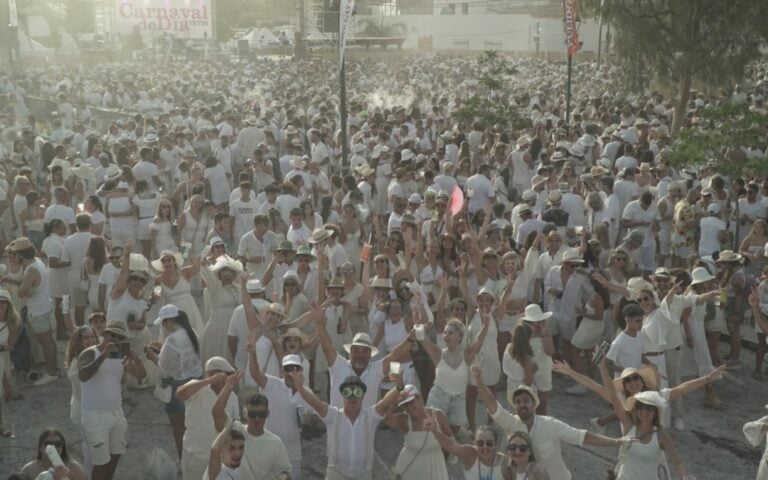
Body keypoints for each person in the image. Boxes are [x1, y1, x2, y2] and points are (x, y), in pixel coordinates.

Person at [472, 365, 625, 480]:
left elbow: (583, 437)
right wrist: (478, 379)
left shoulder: (551, 424)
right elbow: (491, 404)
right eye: (518, 402)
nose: (522, 404)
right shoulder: (511, 423)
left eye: (526, 400)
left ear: (534, 404)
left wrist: (616, 441)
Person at [290, 369, 403, 480]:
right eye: (347, 393)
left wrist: (398, 387)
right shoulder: (333, 416)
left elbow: (385, 402)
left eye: (357, 393)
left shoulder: (370, 417)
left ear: (363, 397)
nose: (352, 397)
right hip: (336, 474)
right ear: (343, 397)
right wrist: (300, 387)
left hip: (363, 475)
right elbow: (315, 403)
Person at [598, 358, 689, 479]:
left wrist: (685, 476)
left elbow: (678, 462)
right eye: (641, 407)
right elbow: (613, 396)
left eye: (649, 408)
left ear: (656, 412)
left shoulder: (661, 436)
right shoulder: (629, 424)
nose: (644, 411)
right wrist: (602, 367)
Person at [78, 321, 146, 480]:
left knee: (115, 456)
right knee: (100, 463)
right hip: (95, 415)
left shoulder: (121, 356)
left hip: (116, 413)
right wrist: (103, 356)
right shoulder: (89, 353)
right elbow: (83, 376)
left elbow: (141, 375)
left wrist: (137, 360)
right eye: (112, 335)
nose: (115, 339)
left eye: (119, 337)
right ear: (104, 335)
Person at [144, 304, 203, 460]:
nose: (164, 326)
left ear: (170, 321)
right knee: (195, 423)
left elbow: (164, 368)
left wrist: (152, 355)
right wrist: (162, 350)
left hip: (179, 384)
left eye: (164, 322)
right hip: (197, 380)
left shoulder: (172, 339)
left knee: (179, 428)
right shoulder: (192, 333)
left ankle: (184, 460)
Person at [212, 372, 292, 480]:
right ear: (245, 413)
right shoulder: (236, 431)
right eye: (253, 414)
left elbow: (284, 471)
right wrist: (227, 389)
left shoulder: (276, 443)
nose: (257, 419)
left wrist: (283, 477)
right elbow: (217, 414)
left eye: (261, 414)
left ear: (268, 414)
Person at [175, 356, 240, 480]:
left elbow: (235, 423)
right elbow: (180, 394)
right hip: (195, 455)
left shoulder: (232, 396)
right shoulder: (197, 387)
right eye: (224, 374)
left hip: (220, 458)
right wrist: (209, 381)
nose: (226, 377)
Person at [13, 237, 59, 386]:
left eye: (15, 254)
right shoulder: (37, 262)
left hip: (38, 310)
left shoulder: (31, 270)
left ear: (20, 255)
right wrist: (10, 279)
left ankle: (51, 374)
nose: (13, 257)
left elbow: (20, 292)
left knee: (45, 342)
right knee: (49, 340)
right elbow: (28, 285)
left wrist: (21, 287)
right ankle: (54, 369)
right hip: (44, 305)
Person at [385, 384, 451, 480]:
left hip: (435, 465)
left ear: (420, 399)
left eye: (412, 402)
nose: (409, 408)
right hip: (410, 466)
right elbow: (387, 420)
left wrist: (443, 462)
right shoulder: (404, 419)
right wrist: (394, 402)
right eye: (405, 405)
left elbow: (449, 442)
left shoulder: (439, 415)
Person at [428, 422, 506, 480]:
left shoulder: (504, 462)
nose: (484, 447)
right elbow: (451, 447)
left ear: (497, 445)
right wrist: (434, 430)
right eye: (480, 443)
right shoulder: (470, 454)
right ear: (475, 444)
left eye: (489, 443)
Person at [20, 428, 87, 480]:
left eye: (58, 444)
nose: (53, 448)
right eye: (48, 444)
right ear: (40, 448)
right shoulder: (29, 470)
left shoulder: (74, 468)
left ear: (62, 448)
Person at [0, 288, 19, 437]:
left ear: (8, 305)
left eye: (3, 302)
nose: (0, 305)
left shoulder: (12, 323)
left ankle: (1, 427)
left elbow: (10, 346)